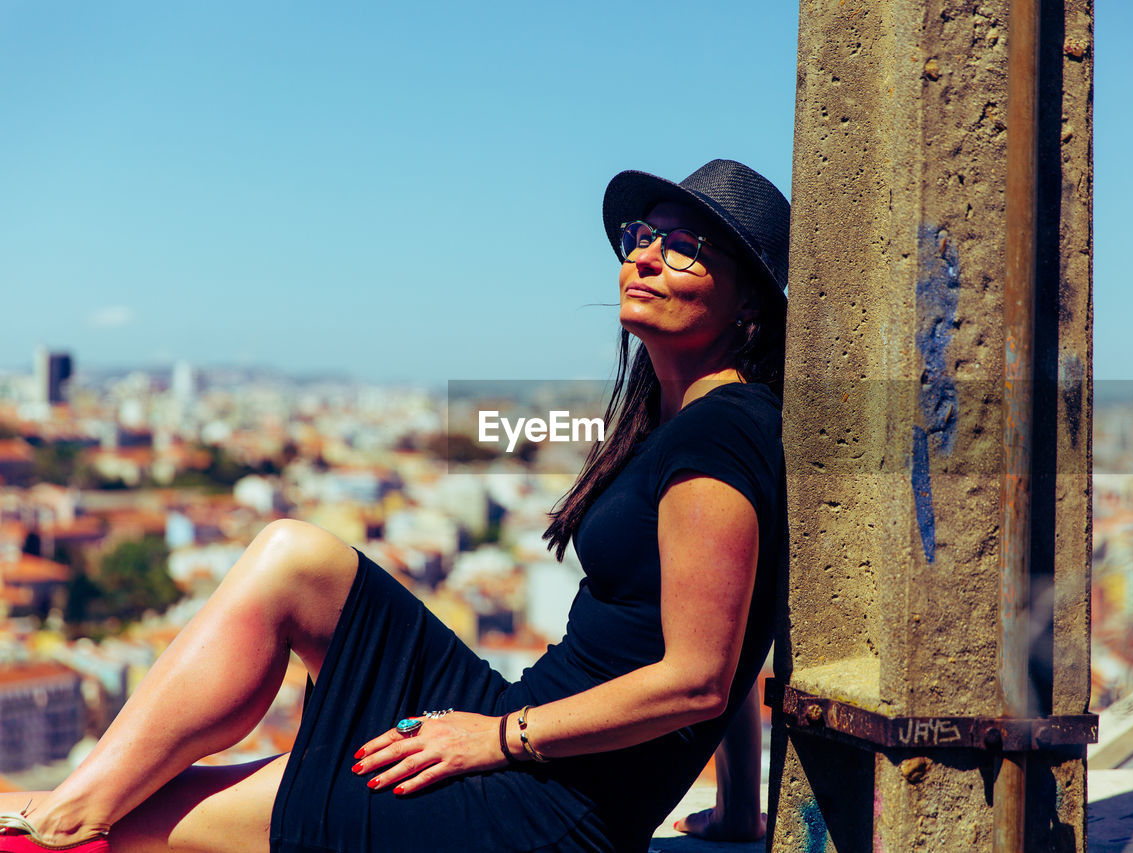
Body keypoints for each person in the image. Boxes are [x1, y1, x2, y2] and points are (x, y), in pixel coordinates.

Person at [0, 158, 789, 853]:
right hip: (531, 731)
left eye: (684, 246)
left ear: (746, 301)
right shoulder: (688, 424)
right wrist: (742, 814)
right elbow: (737, 628)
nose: (646, 258)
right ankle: (75, 803)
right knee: (293, 557)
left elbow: (698, 679)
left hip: (544, 805)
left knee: (156, 817)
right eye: (641, 236)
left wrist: (497, 738)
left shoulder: (715, 436)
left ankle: (67, 813)